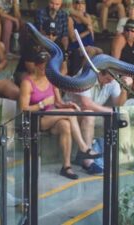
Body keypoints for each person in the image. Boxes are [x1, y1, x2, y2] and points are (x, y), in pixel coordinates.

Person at [19, 51, 100, 180]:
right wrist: (41, 104)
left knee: (65, 125)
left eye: (46, 66)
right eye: (41, 66)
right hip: (36, 119)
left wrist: (68, 105)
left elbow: (58, 103)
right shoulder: (27, 83)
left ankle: (66, 167)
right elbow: (23, 109)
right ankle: (83, 147)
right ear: (35, 65)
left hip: (53, 117)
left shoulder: (51, 79)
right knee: (69, 114)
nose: (44, 69)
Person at [64, 69, 133, 173]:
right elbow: (86, 104)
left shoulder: (112, 80)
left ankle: (125, 155)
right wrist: (111, 111)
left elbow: (118, 105)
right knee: (89, 114)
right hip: (70, 114)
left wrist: (124, 89)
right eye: (108, 79)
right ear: (99, 73)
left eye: (112, 79)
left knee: (123, 115)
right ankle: (87, 159)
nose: (110, 81)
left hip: (91, 113)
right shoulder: (86, 75)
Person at [35, 0, 69, 74]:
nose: (54, 7)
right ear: (48, 2)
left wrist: (64, 52)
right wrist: (47, 38)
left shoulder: (64, 14)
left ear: (61, 5)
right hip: (42, 42)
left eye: (57, 4)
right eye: (52, 3)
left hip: (58, 43)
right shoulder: (40, 12)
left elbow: (65, 36)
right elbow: (39, 31)